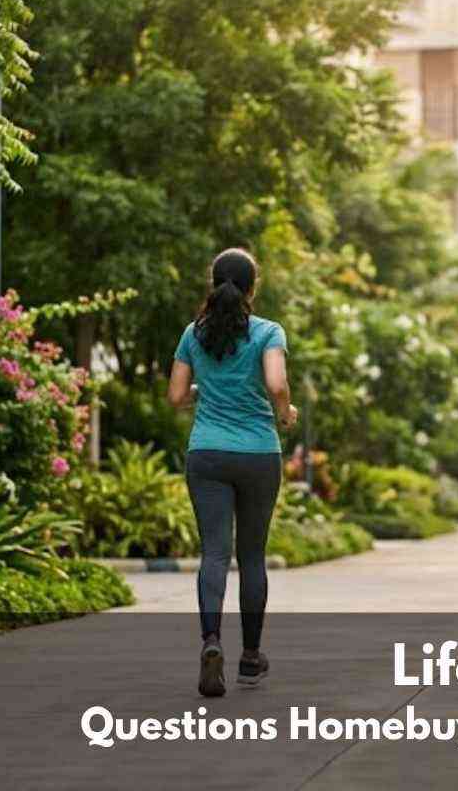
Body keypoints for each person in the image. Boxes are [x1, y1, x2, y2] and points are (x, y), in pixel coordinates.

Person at [168, 248, 297, 697]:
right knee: (253, 557)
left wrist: (209, 388)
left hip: (206, 453)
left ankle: (210, 642)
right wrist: (284, 412)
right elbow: (277, 383)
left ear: (213, 282)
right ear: (252, 287)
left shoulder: (193, 334)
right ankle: (249, 658)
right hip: (259, 454)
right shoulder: (268, 332)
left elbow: (176, 395)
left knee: (215, 555)